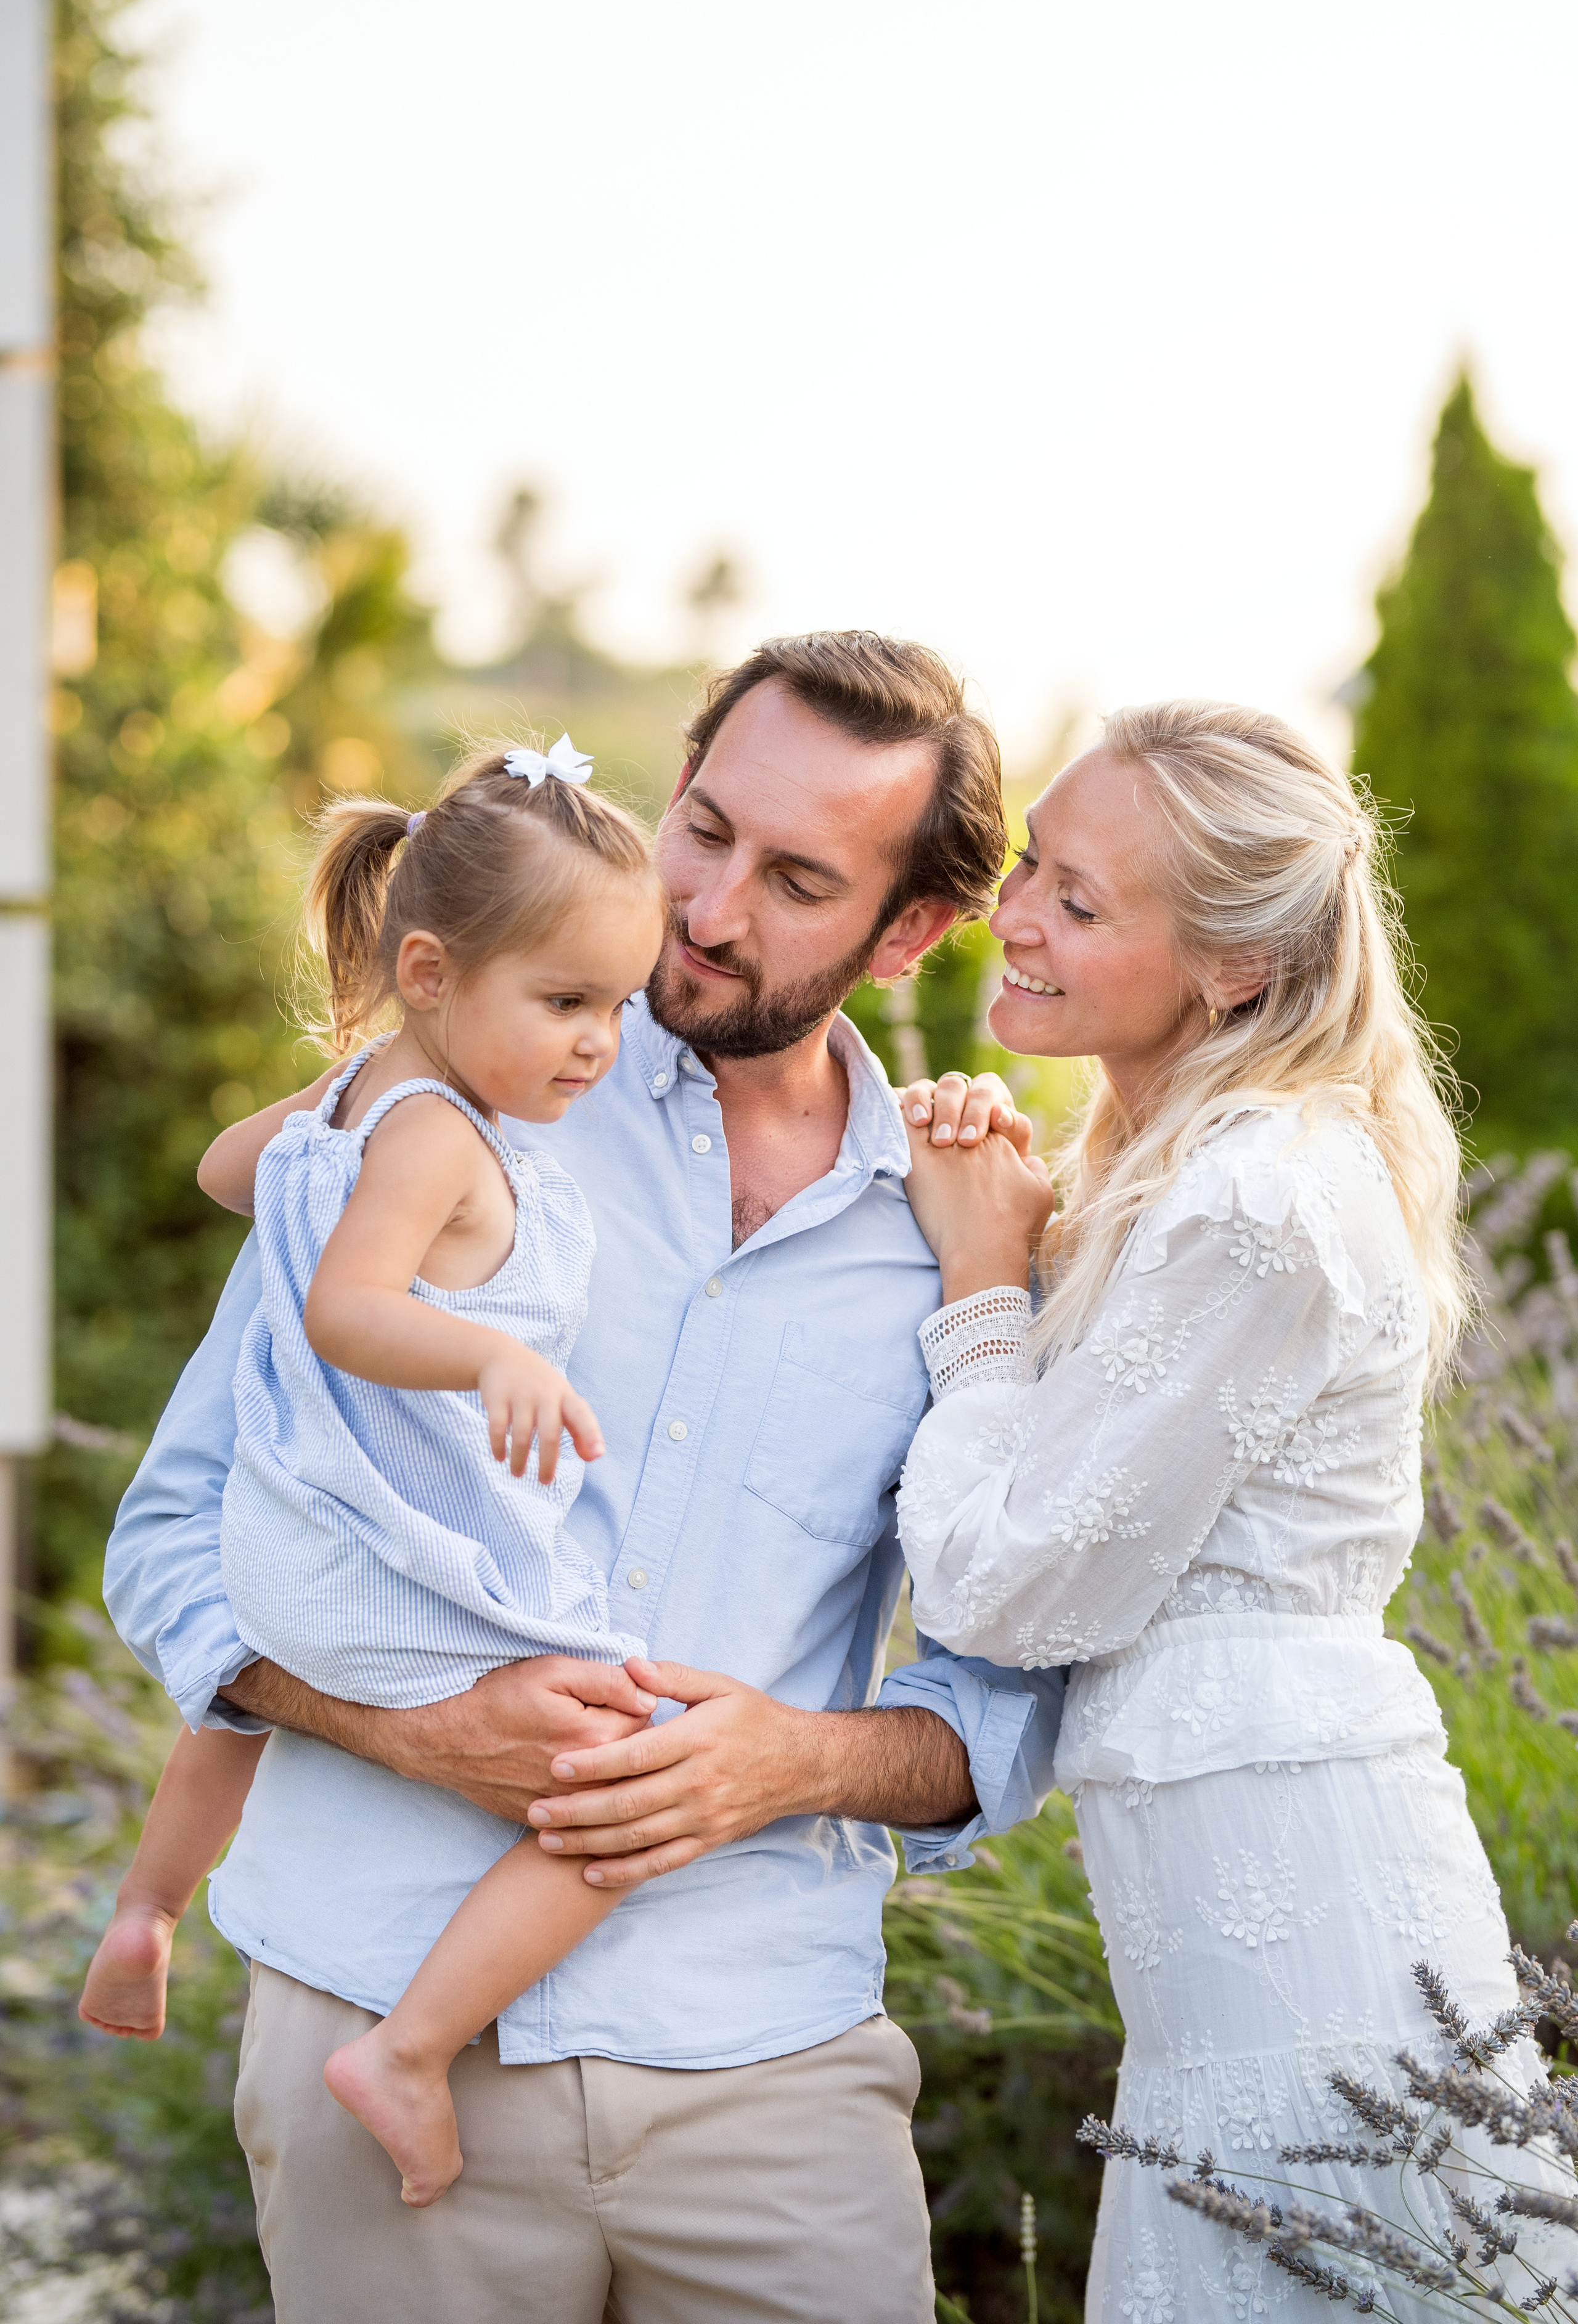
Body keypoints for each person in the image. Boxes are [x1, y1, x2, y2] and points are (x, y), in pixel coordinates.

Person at [103, 632, 1065, 2324]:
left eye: (796, 878)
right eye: (702, 827)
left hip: (768, 2062)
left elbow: (1011, 1699)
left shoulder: (966, 1232)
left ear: (907, 930)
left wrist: (792, 1761)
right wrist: (402, 1726)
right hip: (371, 2016)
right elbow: (178, 1535)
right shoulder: (448, 1110)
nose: (706, 908)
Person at [894, 698, 1571, 2322]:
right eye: (1033, 866)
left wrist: (983, 1293)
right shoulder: (1193, 1163)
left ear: (1235, 971)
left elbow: (1009, 1589)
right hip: (1227, 1949)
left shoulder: (1260, 1198)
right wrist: (1031, 1230)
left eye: (1080, 898)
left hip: (1304, 1939)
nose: (1021, 916)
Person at [83, 737, 669, 2207]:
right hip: (383, 1549)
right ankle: (407, 2052)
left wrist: (322, 1121)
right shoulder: (431, 1136)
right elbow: (350, 1309)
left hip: (279, 1554)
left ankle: (148, 1911)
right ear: (426, 971)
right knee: (621, 1785)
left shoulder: (354, 1100)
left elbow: (229, 1175)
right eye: (563, 1003)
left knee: (241, 1711)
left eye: (615, 1006)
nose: (597, 1044)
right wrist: (492, 1358)